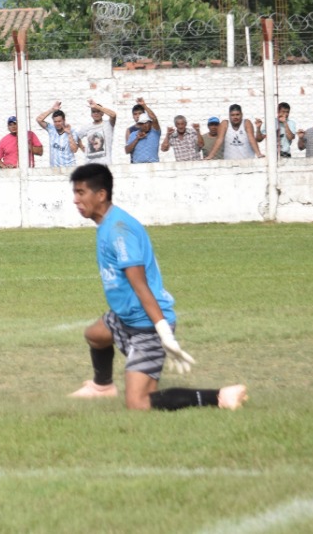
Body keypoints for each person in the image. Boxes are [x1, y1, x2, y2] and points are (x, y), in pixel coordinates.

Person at [66, 163, 247, 412]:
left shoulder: (119, 231)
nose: (76, 200)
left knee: (138, 403)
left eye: (81, 193)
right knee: (95, 335)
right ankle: (103, 387)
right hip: (124, 317)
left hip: (146, 324)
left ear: (101, 195)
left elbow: (140, 286)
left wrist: (164, 333)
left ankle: (220, 396)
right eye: (75, 193)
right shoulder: (107, 224)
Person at [36, 102, 79, 167]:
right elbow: (39, 119)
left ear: (64, 120)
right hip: (54, 169)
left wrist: (69, 134)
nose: (57, 124)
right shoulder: (51, 129)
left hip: (68, 168)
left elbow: (74, 150)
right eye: (55, 121)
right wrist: (52, 109)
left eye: (59, 121)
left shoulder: (72, 131)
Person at [79, 99, 117, 165]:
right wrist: (83, 148)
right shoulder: (87, 127)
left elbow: (113, 115)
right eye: (93, 112)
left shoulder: (108, 124)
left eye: (98, 111)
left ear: (102, 113)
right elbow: (77, 137)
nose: (96, 113)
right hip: (90, 165)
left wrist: (97, 106)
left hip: (105, 164)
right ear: (91, 114)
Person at [124, 99, 161, 164]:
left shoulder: (155, 132)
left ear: (150, 123)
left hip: (153, 165)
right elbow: (127, 150)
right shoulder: (133, 134)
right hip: (137, 167)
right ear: (139, 124)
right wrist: (137, 139)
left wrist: (144, 105)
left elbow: (154, 118)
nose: (144, 125)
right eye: (142, 123)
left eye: (146, 122)